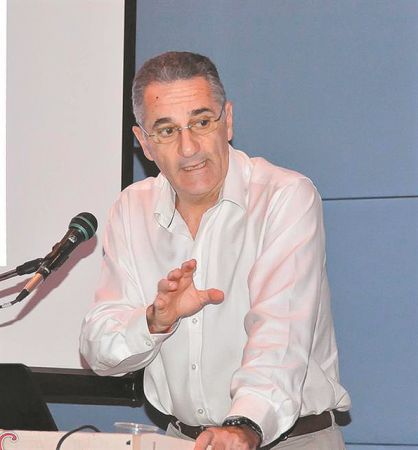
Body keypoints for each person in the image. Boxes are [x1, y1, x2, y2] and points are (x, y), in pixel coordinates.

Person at [80, 51, 351, 449]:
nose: (189, 148)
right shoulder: (131, 208)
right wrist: (154, 321)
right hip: (182, 439)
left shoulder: (283, 196)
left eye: (202, 122)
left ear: (228, 121)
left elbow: (280, 336)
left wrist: (243, 426)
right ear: (145, 144)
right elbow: (101, 350)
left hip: (288, 440)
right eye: (167, 131)